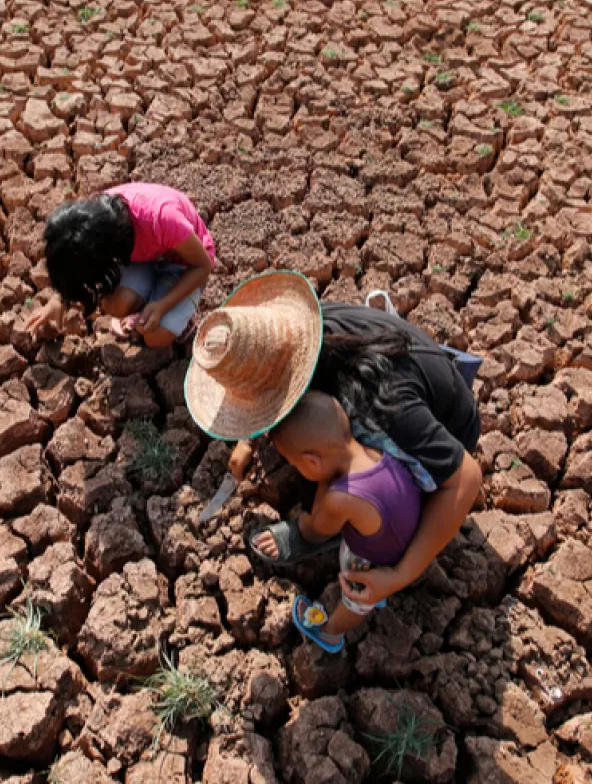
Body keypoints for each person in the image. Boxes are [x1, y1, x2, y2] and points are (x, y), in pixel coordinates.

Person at [184, 269, 482, 615]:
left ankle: (329, 529)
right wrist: (250, 439)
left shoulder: (382, 404)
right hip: (400, 385)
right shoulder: (298, 329)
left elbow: (466, 477)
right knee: (317, 443)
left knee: (354, 481)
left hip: (445, 430)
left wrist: (400, 575)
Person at [266, 392, 421, 653]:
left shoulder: (339, 499)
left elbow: (317, 531)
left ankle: (331, 632)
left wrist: (308, 514)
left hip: (376, 559)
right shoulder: (374, 449)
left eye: (296, 464)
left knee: (357, 596)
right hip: (411, 537)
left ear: (312, 461)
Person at [23, 182, 216, 348]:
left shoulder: (162, 218)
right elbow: (73, 263)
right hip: (144, 260)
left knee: (156, 337)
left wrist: (163, 306)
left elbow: (203, 266)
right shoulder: (95, 226)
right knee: (116, 305)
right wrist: (58, 301)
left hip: (184, 266)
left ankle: (178, 315)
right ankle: (148, 303)